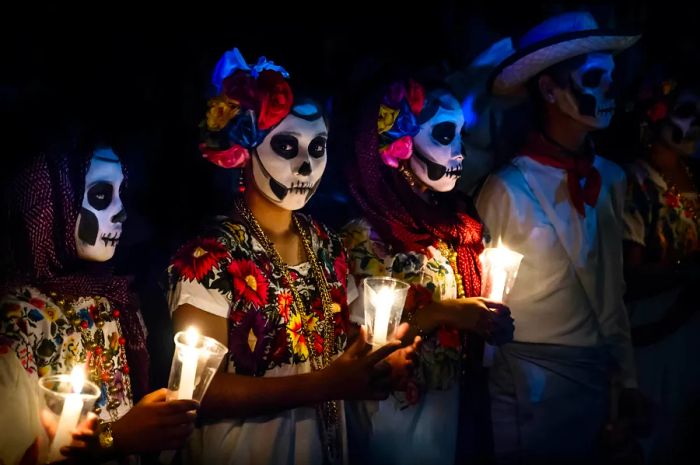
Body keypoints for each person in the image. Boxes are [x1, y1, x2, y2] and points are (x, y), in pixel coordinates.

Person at [166, 48, 406, 465]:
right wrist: (325, 385)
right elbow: (200, 391)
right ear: (244, 148)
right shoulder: (210, 257)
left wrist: (380, 360)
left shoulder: (326, 244)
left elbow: (345, 342)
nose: (305, 167)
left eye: (318, 148)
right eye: (286, 145)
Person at [476, 11, 644, 463]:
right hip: (528, 384)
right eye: (593, 78)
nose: (609, 90)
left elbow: (613, 294)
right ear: (549, 90)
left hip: (595, 382)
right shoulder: (506, 188)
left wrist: (627, 379)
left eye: (611, 78)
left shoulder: (610, 179)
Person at [343, 77, 514, 465]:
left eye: (461, 134)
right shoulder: (367, 236)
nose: (459, 150)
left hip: (450, 405)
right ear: (400, 145)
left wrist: (487, 324)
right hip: (394, 417)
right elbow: (366, 351)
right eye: (442, 133)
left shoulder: (458, 224)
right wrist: (441, 313)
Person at [0, 137, 198, 464]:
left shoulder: (112, 298)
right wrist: (115, 438)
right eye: (101, 196)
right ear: (52, 205)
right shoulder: (14, 320)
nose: (120, 214)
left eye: (122, 194)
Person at [623, 74, 700, 463]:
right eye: (687, 112)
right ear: (655, 115)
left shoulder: (696, 174)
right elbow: (630, 276)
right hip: (654, 330)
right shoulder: (637, 179)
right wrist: (688, 275)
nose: (697, 123)